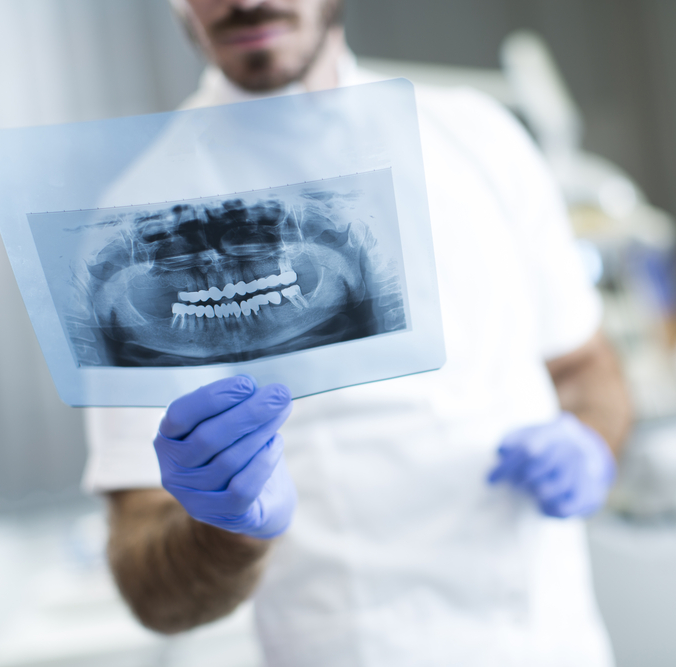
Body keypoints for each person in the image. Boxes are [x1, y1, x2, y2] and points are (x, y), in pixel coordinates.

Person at [83, 1, 634, 665]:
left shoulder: (479, 137)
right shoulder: (138, 227)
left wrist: (591, 442)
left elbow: (586, 369)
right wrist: (226, 531)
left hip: (552, 639)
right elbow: (154, 592)